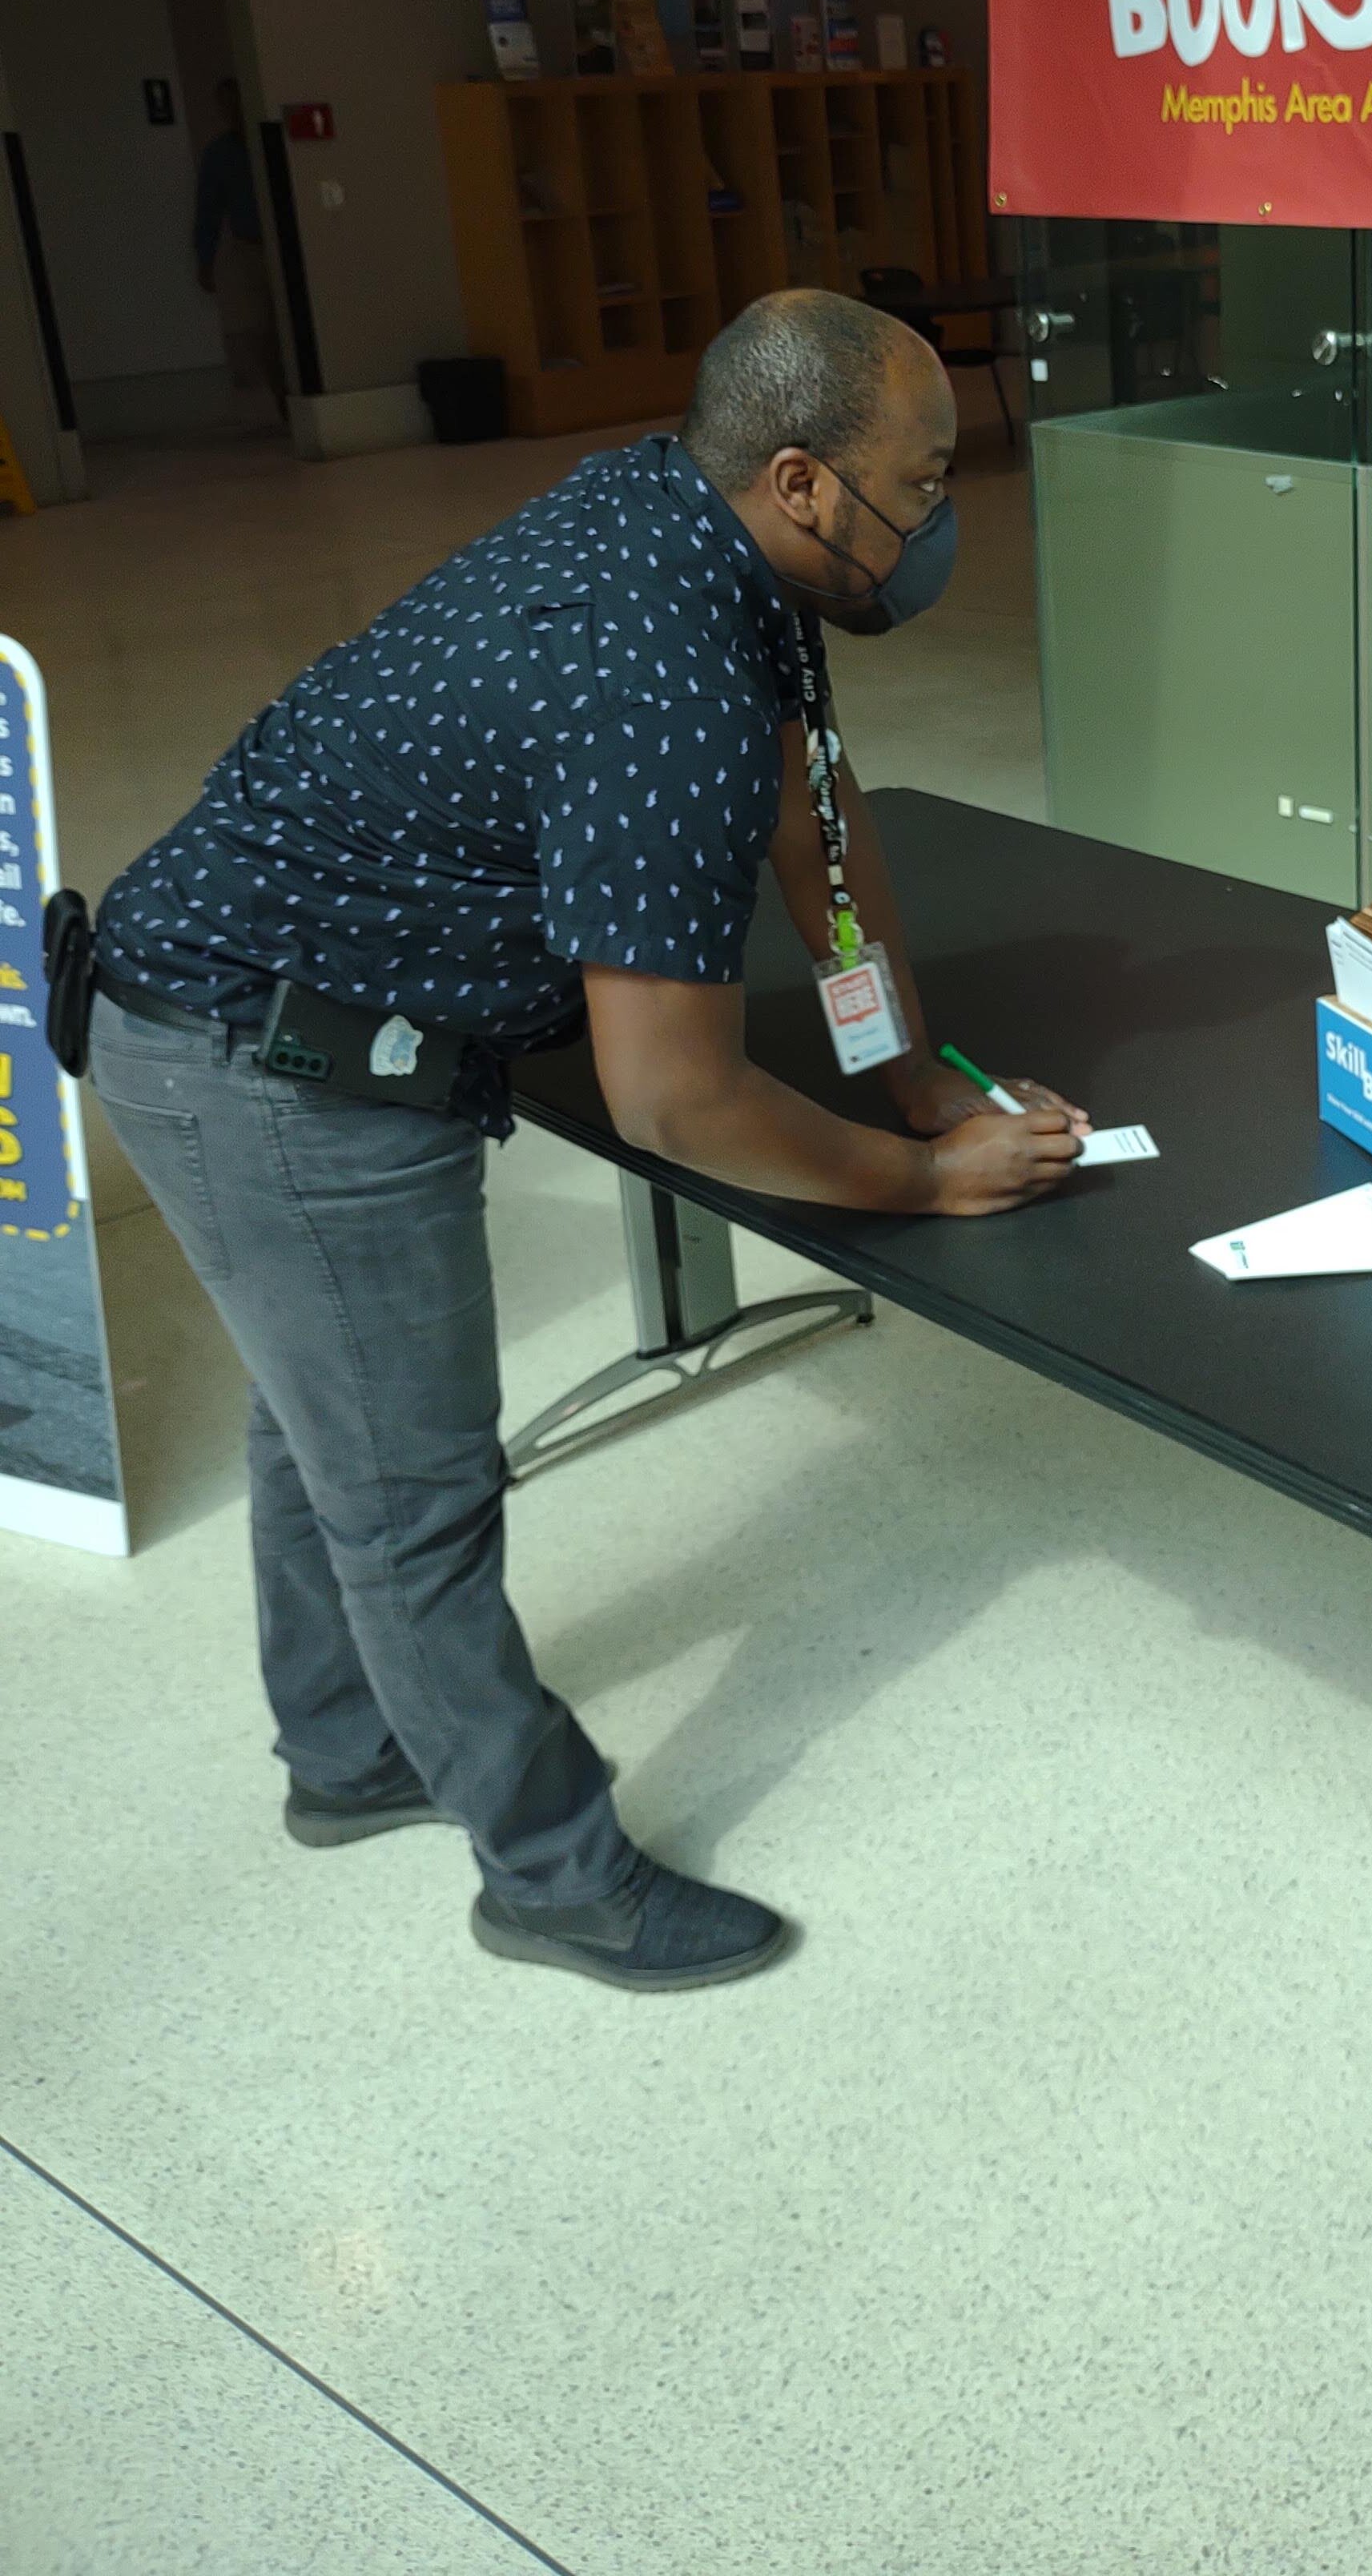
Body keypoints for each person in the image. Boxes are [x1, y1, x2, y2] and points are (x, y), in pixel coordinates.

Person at [87, 290, 1084, 1993]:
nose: (942, 512)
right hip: (262, 1053)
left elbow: (814, 816)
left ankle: (346, 1751)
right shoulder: (663, 659)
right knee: (413, 1493)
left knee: (319, 1412)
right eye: (921, 480)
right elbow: (674, 1096)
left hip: (262, 1012)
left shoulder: (716, 540)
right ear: (800, 479)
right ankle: (553, 1872)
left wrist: (913, 1073)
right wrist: (925, 1182)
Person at [192, 78, 286, 417]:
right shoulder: (220, 155)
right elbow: (209, 209)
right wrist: (206, 259)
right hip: (250, 247)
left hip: (283, 244)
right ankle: (284, 397)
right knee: (262, 329)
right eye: (226, 105)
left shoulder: (271, 142)